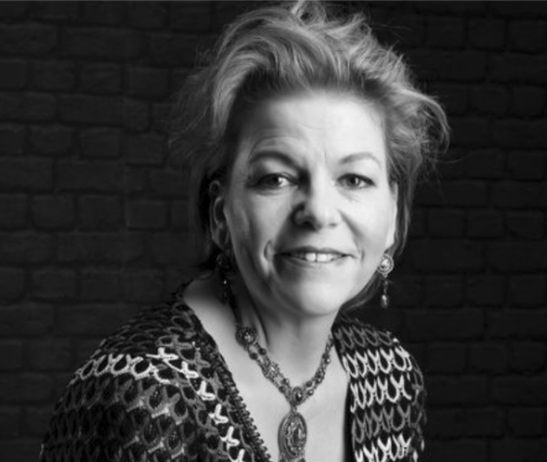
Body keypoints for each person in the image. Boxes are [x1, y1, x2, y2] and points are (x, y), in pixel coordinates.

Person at [40, 1, 448, 461]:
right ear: (220, 213)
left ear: (393, 217)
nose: (318, 212)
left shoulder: (390, 377)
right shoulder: (144, 393)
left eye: (354, 179)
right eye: (276, 178)